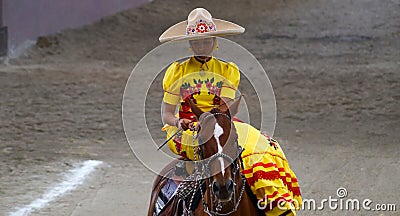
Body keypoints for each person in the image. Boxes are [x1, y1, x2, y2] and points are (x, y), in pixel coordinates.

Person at [159, 8, 302, 215]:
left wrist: (211, 123)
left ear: (215, 42)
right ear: (190, 44)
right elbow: (167, 115)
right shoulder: (176, 72)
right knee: (212, 151)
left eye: (206, 41)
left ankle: (277, 206)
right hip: (187, 131)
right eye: (197, 42)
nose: (202, 46)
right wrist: (181, 123)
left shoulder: (227, 70)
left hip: (220, 124)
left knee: (263, 147)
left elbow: (223, 111)